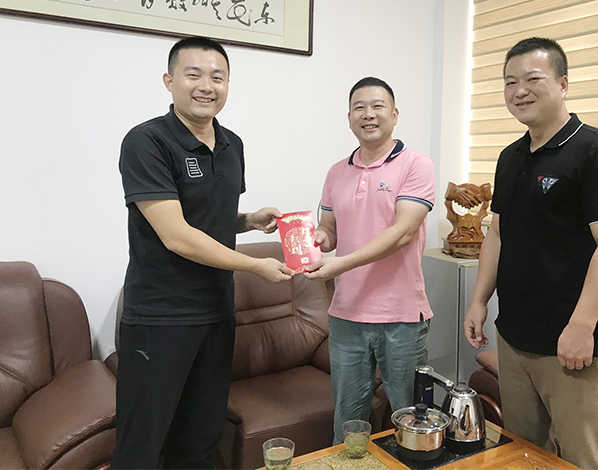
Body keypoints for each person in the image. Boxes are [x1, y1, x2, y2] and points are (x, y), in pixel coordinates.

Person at [113, 36, 293, 469]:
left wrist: (248, 220)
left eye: (218, 77)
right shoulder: (147, 142)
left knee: (200, 439)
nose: (206, 86)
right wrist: (255, 265)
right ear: (169, 80)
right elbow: (176, 234)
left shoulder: (232, 144)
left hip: (216, 312)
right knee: (142, 447)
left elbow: (208, 217)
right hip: (161, 317)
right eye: (193, 74)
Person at [463, 37, 598, 470]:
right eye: (510, 82)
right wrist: (480, 299)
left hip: (571, 345)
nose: (519, 90)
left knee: (581, 459)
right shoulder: (510, 157)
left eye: (533, 78)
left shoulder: (596, 150)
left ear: (563, 84)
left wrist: (582, 327)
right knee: (522, 453)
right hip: (514, 338)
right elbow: (497, 234)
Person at [304, 76, 435, 444]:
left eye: (378, 106)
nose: (368, 114)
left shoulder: (416, 164)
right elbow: (329, 229)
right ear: (349, 118)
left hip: (401, 316)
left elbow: (403, 232)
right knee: (348, 421)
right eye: (359, 108)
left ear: (394, 114)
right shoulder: (336, 172)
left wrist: (341, 263)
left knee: (413, 420)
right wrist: (317, 239)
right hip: (346, 316)